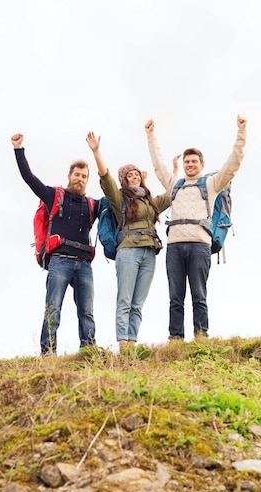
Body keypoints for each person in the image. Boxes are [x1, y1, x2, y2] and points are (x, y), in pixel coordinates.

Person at [144, 115, 247, 340]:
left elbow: (233, 165)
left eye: (194, 162)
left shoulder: (211, 184)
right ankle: (175, 339)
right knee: (175, 297)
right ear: (183, 166)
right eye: (187, 162)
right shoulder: (175, 185)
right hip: (174, 246)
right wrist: (151, 136)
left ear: (202, 164)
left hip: (200, 244)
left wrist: (241, 132)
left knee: (199, 294)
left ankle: (201, 337)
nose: (190, 165)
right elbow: (159, 166)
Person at [11, 133, 101, 356]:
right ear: (69, 176)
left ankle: (88, 351)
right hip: (60, 261)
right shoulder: (54, 195)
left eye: (84, 176)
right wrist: (18, 149)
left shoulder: (92, 204)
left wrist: (97, 152)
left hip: (84, 265)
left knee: (87, 312)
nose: (80, 179)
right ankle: (48, 353)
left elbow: (114, 198)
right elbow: (29, 177)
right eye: (77, 175)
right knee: (53, 309)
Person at [86, 131, 170, 352]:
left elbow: (172, 194)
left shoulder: (151, 201)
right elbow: (106, 179)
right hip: (128, 252)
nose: (134, 177)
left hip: (149, 253)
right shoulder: (119, 198)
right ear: (124, 179)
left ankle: (133, 342)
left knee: (138, 301)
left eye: (136, 174)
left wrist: (175, 171)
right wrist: (96, 152)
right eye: (129, 175)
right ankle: (123, 342)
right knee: (125, 298)